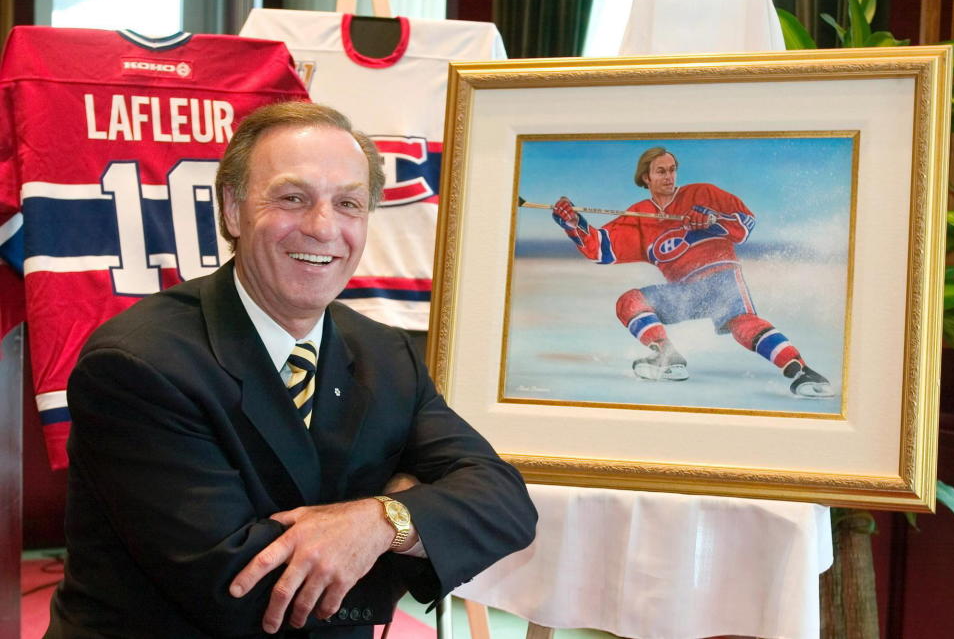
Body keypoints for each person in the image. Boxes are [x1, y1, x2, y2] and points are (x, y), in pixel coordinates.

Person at [46, 101, 537, 638]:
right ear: (232, 209)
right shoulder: (138, 365)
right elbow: (242, 590)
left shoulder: (386, 354)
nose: (323, 228)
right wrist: (414, 515)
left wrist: (378, 521)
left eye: (348, 203)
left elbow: (504, 503)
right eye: (292, 198)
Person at [551, 146, 833, 398]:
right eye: (660, 171)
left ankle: (801, 371)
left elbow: (745, 226)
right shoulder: (639, 216)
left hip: (721, 278)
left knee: (742, 323)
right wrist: (572, 223)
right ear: (646, 178)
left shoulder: (702, 193)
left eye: (672, 170)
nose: (669, 177)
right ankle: (667, 358)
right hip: (685, 291)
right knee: (630, 302)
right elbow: (601, 250)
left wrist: (713, 220)